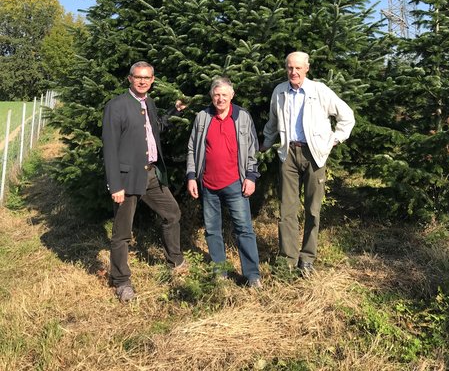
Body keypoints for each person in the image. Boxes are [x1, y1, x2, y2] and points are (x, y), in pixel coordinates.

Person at [261, 52, 355, 275]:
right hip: (288, 154)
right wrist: (265, 142)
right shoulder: (280, 92)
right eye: (290, 68)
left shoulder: (319, 91)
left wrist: (334, 139)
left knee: (313, 209)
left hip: (314, 155)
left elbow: (347, 116)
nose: (293, 72)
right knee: (287, 210)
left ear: (307, 69)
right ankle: (288, 259)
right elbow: (273, 122)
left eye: (298, 68)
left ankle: (307, 258)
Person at [102, 61, 187, 302]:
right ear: (129, 79)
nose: (142, 81)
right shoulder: (116, 106)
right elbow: (109, 148)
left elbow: (155, 127)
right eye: (138, 77)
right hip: (127, 179)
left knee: (172, 213)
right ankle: (121, 281)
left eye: (147, 77)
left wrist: (175, 111)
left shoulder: (148, 102)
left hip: (151, 174)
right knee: (122, 233)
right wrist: (115, 184)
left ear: (152, 80)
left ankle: (175, 260)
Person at [186, 77, 262, 288]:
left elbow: (253, 150)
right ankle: (220, 271)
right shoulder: (202, 117)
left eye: (224, 95)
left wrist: (251, 176)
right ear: (212, 96)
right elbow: (193, 148)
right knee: (212, 230)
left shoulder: (242, 117)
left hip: (236, 184)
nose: (220, 99)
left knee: (244, 229)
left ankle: (252, 275)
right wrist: (192, 176)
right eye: (216, 95)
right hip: (208, 184)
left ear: (232, 95)